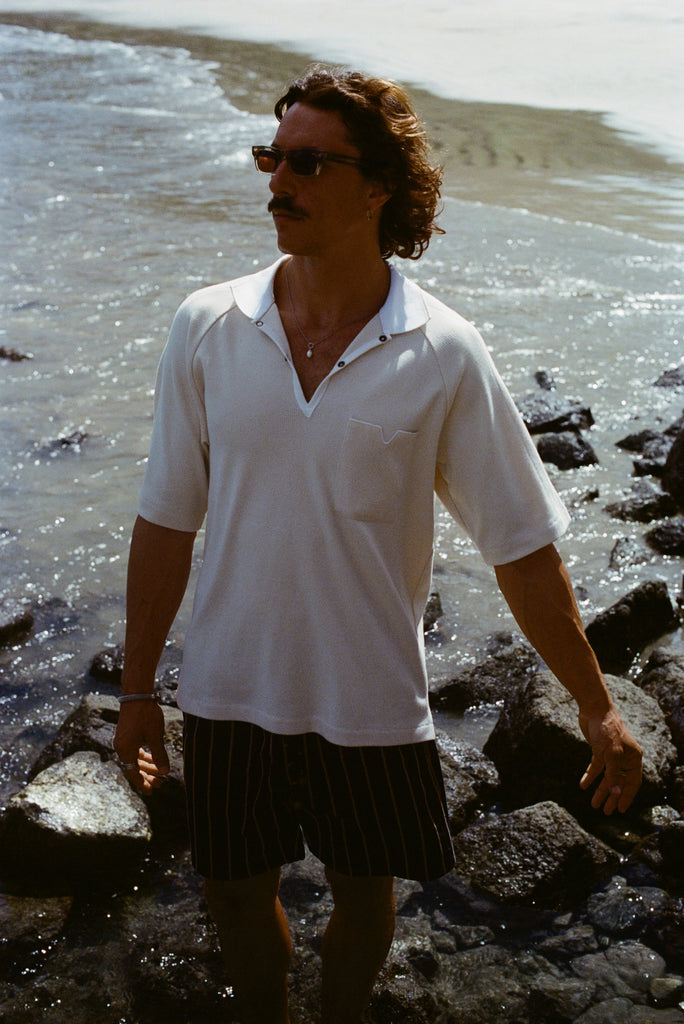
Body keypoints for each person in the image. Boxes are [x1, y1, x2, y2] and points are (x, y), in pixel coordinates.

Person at [113, 66, 643, 1024]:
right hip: (230, 689)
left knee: (366, 896)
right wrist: (138, 689)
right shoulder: (206, 326)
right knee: (235, 892)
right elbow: (164, 522)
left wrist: (597, 706)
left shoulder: (442, 351)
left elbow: (520, 545)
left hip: (371, 700)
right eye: (271, 156)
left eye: (310, 163)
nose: (280, 182)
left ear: (378, 189)